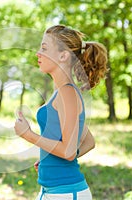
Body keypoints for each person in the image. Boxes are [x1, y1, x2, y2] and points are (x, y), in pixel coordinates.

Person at [14, 24, 108, 200]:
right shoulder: (61, 92)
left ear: (63, 55)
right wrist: (51, 159)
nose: (38, 53)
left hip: (66, 193)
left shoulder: (68, 93)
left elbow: (69, 152)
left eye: (44, 48)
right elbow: (88, 141)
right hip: (52, 191)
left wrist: (28, 134)